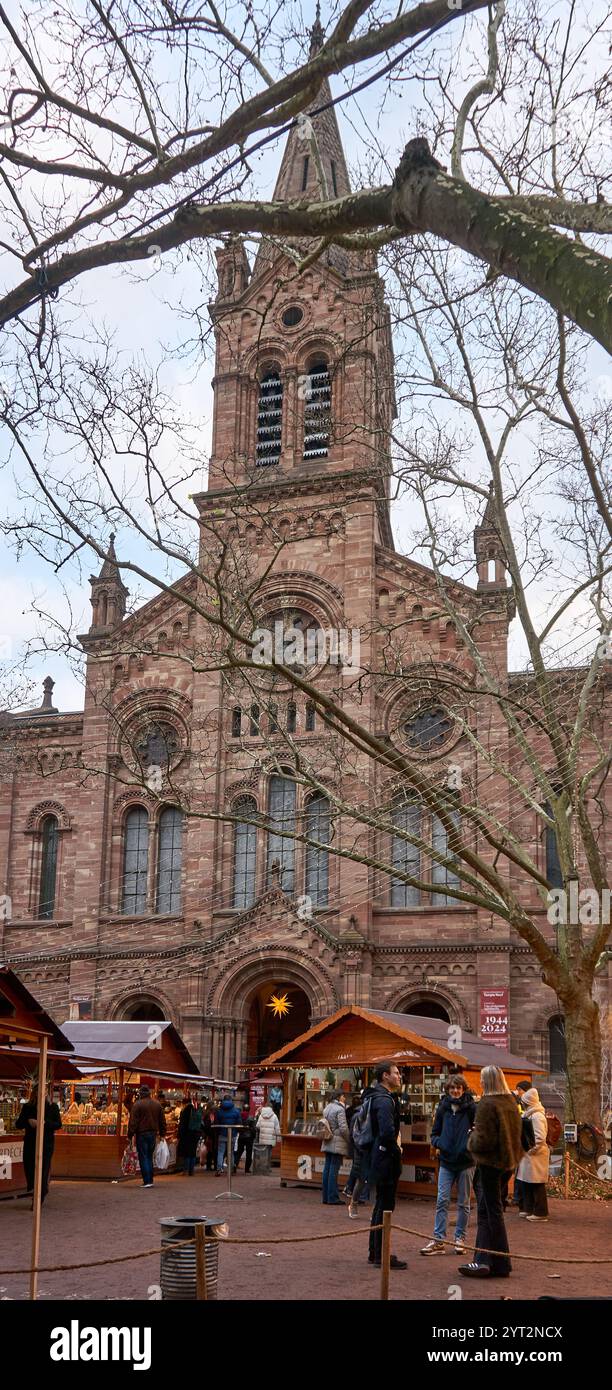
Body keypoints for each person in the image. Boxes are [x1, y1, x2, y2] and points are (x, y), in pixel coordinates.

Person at [458, 1065, 522, 1279]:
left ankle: (498, 1261)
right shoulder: (511, 1102)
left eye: (483, 1079)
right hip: (508, 1163)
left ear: (488, 1081)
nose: (481, 1083)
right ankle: (485, 1260)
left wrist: (471, 1139)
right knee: (488, 1209)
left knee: (491, 1211)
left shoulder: (487, 1103)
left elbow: (483, 1140)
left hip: (490, 1164)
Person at [421, 1075, 476, 1256]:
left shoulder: (471, 1108)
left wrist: (469, 1145)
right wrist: (440, 1143)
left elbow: (479, 1130)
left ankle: (460, 1238)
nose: (455, 1091)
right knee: (442, 1199)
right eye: (452, 1088)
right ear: (448, 1089)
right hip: (446, 1161)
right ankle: (439, 1240)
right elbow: (435, 1132)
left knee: (464, 1202)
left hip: (466, 1162)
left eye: (459, 1088)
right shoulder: (443, 1107)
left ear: (463, 1089)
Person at [368, 1061, 407, 1270]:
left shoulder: (379, 1097)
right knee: (385, 1206)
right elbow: (386, 1132)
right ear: (385, 1076)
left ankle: (375, 1252)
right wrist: (396, 1151)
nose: (399, 1076)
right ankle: (380, 1254)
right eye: (396, 1073)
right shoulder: (384, 1101)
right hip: (385, 1158)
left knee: (380, 1205)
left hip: (379, 1156)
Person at [16, 1087, 62, 1205]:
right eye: (39, 1092)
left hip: (46, 1144)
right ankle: (38, 1189)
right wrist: (28, 1122)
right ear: (35, 1093)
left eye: (44, 1092)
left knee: (43, 1170)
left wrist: (45, 1123)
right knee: (30, 1168)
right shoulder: (28, 1107)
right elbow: (18, 1124)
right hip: (30, 1143)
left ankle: (39, 1197)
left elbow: (58, 1124)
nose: (42, 1094)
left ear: (47, 1093)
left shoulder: (53, 1107)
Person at [516, 1086, 550, 1220]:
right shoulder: (531, 1114)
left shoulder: (536, 1116)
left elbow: (540, 1138)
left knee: (537, 1184)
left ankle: (540, 1212)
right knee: (527, 1182)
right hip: (530, 1154)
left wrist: (529, 1150)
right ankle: (529, 1208)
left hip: (535, 1155)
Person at [127, 1084, 166, 1188]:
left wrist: (129, 1135)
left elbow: (133, 1122)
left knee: (143, 1156)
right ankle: (150, 1180)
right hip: (153, 1133)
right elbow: (162, 1121)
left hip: (142, 1134)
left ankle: (147, 1181)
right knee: (149, 1156)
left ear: (140, 1094)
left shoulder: (137, 1105)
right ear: (149, 1093)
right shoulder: (157, 1104)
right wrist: (162, 1134)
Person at [344, 1086, 374, 1216]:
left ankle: (373, 1209)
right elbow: (354, 1136)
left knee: (369, 1180)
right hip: (363, 1150)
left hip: (371, 1149)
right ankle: (354, 1203)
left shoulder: (375, 1113)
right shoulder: (358, 1115)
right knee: (362, 1180)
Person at [320, 1090, 350, 1205]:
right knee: (334, 1169)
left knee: (327, 1169)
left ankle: (325, 1197)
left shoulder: (327, 1107)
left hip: (327, 1140)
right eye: (343, 1096)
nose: (344, 1098)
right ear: (339, 1097)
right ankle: (332, 1197)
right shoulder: (340, 1109)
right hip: (337, 1142)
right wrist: (349, 1139)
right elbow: (343, 1128)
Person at [215, 1093, 242, 1174]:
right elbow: (239, 1122)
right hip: (232, 1134)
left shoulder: (219, 1111)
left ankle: (219, 1168)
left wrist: (219, 1131)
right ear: (231, 1100)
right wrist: (236, 1131)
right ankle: (232, 1167)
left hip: (222, 1134)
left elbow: (217, 1121)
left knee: (220, 1152)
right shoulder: (236, 1111)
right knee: (231, 1152)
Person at [176, 1095, 202, 1176]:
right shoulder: (195, 1109)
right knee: (193, 1152)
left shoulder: (185, 1110)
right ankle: (191, 1170)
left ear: (184, 1103)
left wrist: (179, 1135)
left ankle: (186, 1170)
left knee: (187, 1152)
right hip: (195, 1133)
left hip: (187, 1133)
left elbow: (182, 1124)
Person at [255, 1100, 281, 1166]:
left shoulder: (261, 1115)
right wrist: (279, 1139)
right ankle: (267, 1166)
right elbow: (277, 1128)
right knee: (269, 1152)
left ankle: (262, 1165)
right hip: (271, 1138)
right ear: (271, 1108)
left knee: (263, 1152)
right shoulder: (274, 1116)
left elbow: (257, 1126)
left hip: (262, 1138)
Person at [234, 1106, 256, 1174]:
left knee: (239, 1152)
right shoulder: (251, 1117)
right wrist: (253, 1136)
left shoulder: (239, 1117)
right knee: (249, 1153)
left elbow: (237, 1127)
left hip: (241, 1137)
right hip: (249, 1137)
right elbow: (253, 1129)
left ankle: (234, 1165)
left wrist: (240, 1132)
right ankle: (247, 1169)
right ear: (249, 1110)